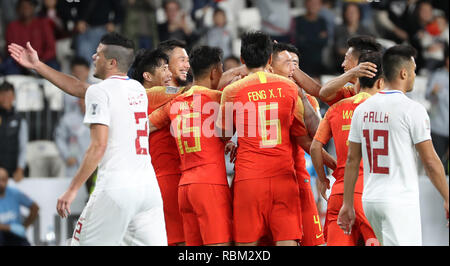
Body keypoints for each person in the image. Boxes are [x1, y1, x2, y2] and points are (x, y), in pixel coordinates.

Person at [8, 33, 167, 245]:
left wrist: (72, 189)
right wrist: (38, 65)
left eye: (98, 53)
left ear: (111, 62)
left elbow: (98, 147)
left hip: (115, 189)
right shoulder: (136, 88)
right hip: (148, 190)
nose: (93, 56)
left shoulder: (101, 92)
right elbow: (80, 88)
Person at [338, 45, 449, 246]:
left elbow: (352, 160)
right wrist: (448, 197)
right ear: (404, 72)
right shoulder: (412, 110)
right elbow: (431, 162)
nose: (414, 75)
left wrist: (347, 204)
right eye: (414, 71)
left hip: (370, 201)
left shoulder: (362, 109)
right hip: (399, 202)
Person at [217, 31, 303, 246]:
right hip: (284, 174)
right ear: (270, 59)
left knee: (247, 245)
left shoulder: (232, 90)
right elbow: (299, 130)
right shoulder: (291, 88)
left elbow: (223, 133)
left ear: (242, 59)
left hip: (249, 178)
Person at [149, 46, 234, 246]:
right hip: (211, 185)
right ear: (215, 72)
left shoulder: (175, 103)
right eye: (221, 69)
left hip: (185, 188)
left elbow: (144, 126)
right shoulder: (219, 99)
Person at [311, 51, 383, 246]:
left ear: (356, 80)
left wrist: (322, 178)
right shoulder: (385, 110)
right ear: (381, 81)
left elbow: (315, 147)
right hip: (371, 193)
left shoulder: (337, 108)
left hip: (340, 193)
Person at [270, 42, 337, 246]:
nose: (292, 70)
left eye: (296, 65)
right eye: (287, 63)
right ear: (271, 67)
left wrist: (301, 97)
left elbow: (319, 136)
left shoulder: (309, 99)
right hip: (272, 178)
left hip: (300, 178)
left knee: (313, 242)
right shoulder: (265, 95)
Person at [130, 48, 186, 246]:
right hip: (167, 177)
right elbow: (188, 90)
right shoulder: (156, 93)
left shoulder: (133, 99)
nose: (169, 73)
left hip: (146, 178)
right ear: (147, 76)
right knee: (179, 241)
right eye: (164, 69)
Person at [320, 35, 381, 106]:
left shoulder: (383, 94)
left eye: (346, 58)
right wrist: (352, 73)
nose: (343, 64)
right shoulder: (347, 92)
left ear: (361, 62)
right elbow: (323, 93)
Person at [1, 0, 58, 75]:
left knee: (53, 66)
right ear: (17, 10)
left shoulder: (43, 23)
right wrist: (23, 62)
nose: (25, 8)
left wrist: (39, 62)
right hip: (19, 62)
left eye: (28, 6)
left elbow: (51, 48)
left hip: (42, 61)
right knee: (8, 64)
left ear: (34, 8)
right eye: (23, 7)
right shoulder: (12, 26)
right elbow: (11, 49)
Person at [73, 0, 125, 64]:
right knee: (84, 62)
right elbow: (66, 6)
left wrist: (114, 23)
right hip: (85, 31)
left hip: (103, 30)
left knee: (104, 62)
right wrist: (77, 21)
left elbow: (120, 10)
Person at [0, 167, 39, 246]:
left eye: (3, 180)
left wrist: (24, 226)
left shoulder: (15, 193)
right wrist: (10, 228)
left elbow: (35, 208)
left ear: (7, 180)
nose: (1, 183)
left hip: (15, 235)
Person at [426, 45, 449, 173]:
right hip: (438, 127)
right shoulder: (438, 75)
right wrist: (434, 92)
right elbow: (428, 95)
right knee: (437, 163)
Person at [333, 2, 375, 73]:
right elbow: (339, 50)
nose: (351, 15)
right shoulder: (339, 29)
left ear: (359, 14)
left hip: (362, 65)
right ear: (344, 14)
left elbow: (371, 48)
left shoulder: (364, 29)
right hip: (342, 65)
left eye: (354, 12)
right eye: (349, 12)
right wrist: (358, 54)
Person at [54, 98, 90, 179]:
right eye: (83, 100)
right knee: (75, 189)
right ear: (79, 101)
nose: (85, 103)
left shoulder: (100, 118)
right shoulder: (68, 119)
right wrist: (66, 156)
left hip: (96, 164)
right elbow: (60, 139)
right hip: (75, 165)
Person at [0, 81, 28, 183]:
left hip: (13, 172)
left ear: (14, 97)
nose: (5, 98)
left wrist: (20, 168)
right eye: (2, 95)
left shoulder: (20, 120)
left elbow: (23, 147)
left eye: (9, 95)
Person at [293, 0, 328, 77]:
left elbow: (324, 42)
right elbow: (298, 42)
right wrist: (317, 38)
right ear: (306, 4)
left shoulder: (322, 21)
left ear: (320, 5)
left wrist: (307, 38)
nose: (313, 6)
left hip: (317, 63)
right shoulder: (298, 20)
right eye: (311, 3)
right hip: (301, 62)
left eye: (316, 4)